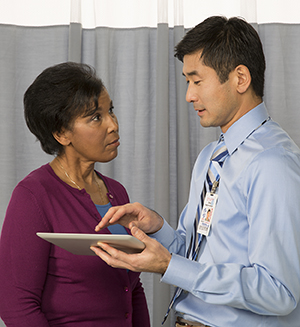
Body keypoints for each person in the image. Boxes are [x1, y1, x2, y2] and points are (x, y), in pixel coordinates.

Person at [91, 16, 300, 327]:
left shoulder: (272, 164)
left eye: (197, 80)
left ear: (240, 78)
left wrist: (168, 265)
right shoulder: (211, 157)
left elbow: (278, 292)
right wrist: (159, 228)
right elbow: (197, 256)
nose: (189, 95)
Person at [0, 62, 150, 327]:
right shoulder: (33, 197)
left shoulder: (117, 192)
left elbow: (132, 289)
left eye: (110, 111)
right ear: (61, 133)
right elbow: (16, 304)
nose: (113, 125)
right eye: (95, 117)